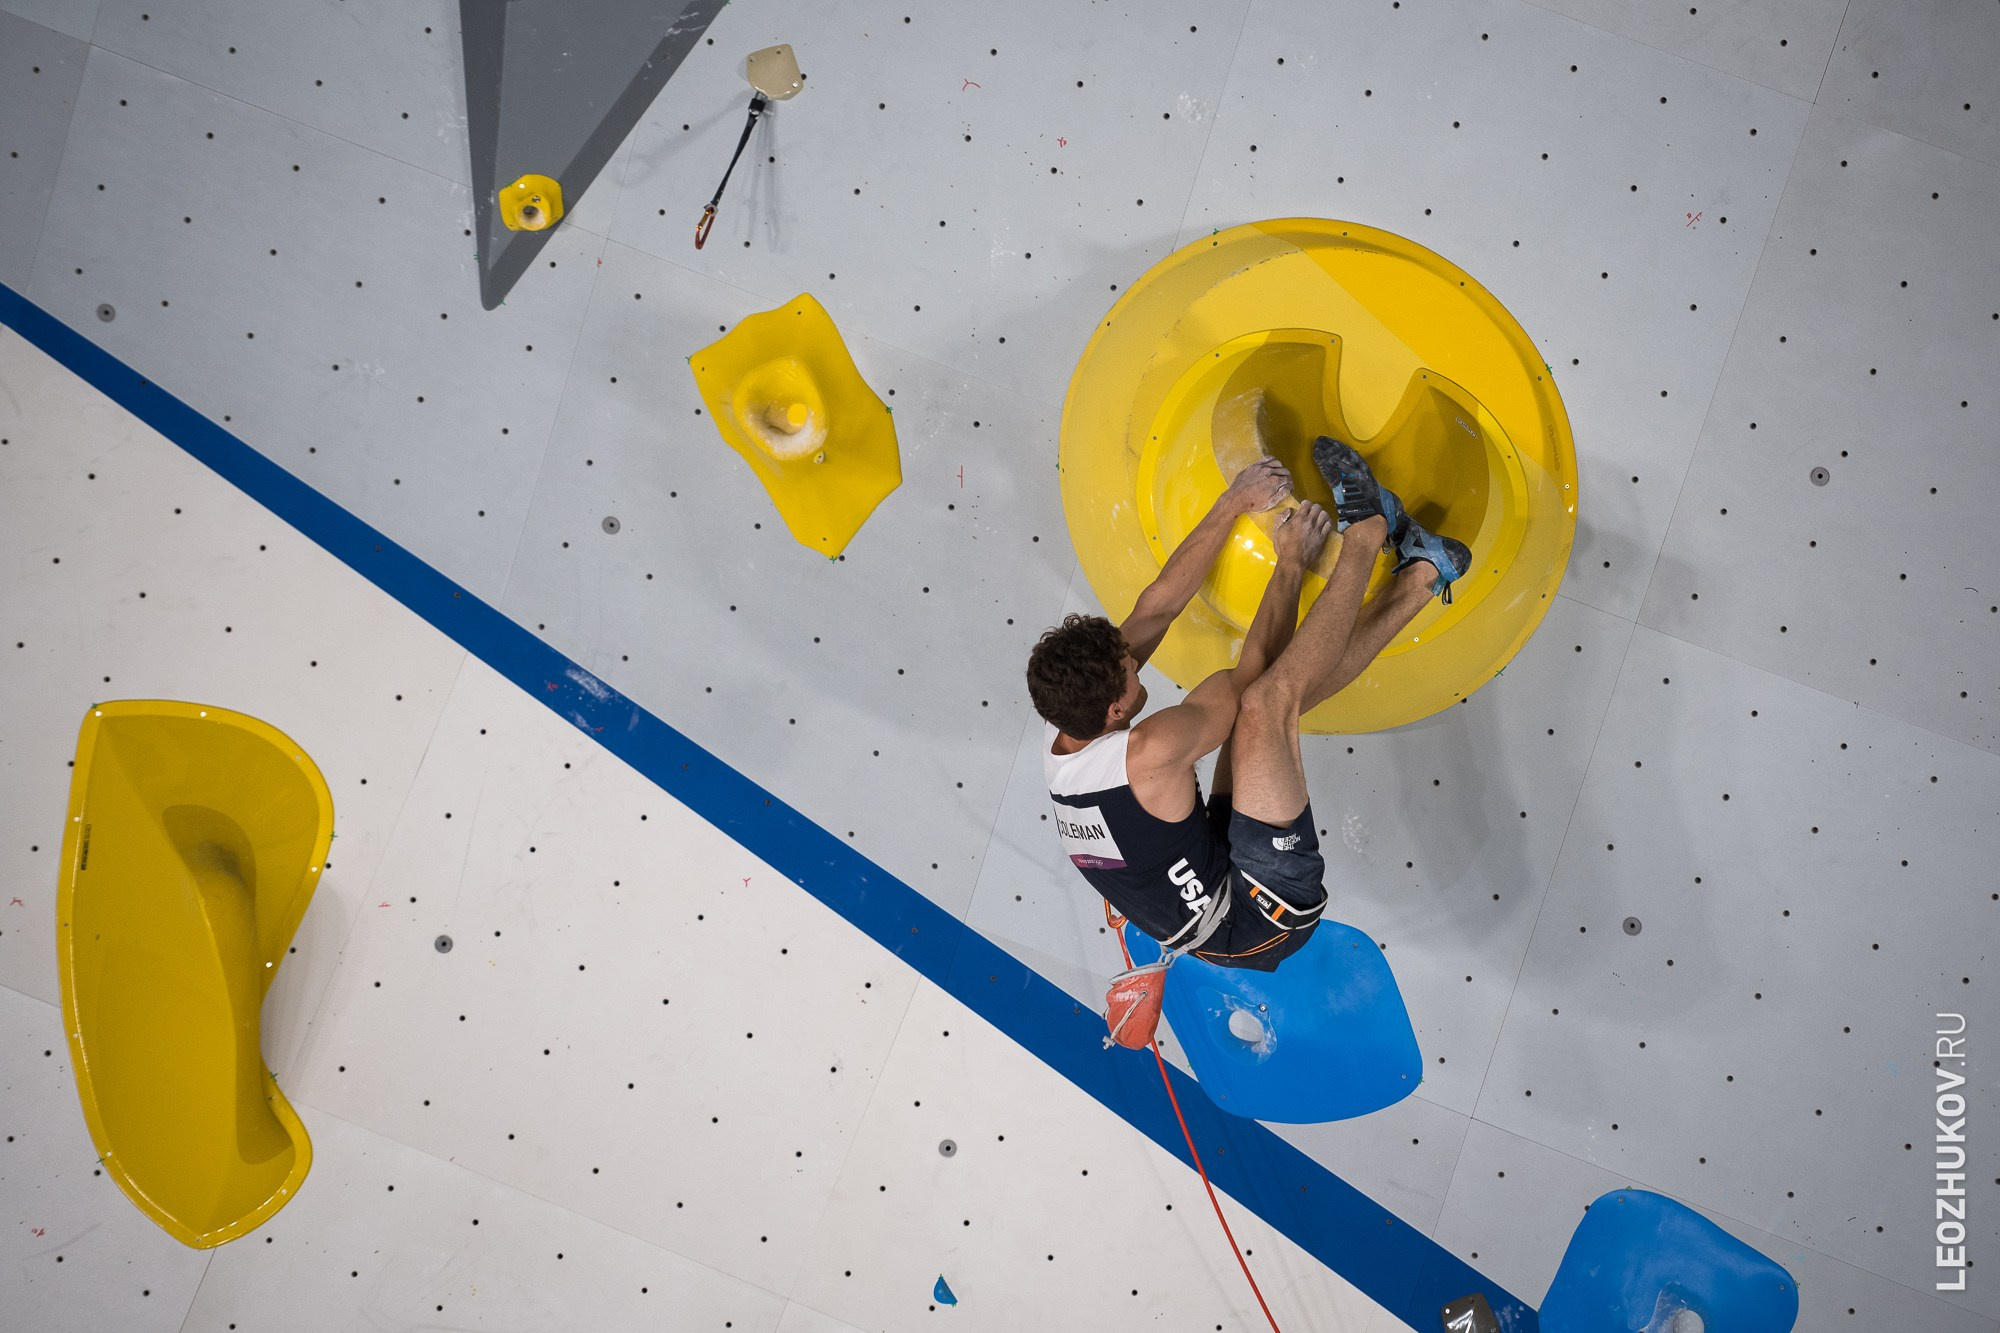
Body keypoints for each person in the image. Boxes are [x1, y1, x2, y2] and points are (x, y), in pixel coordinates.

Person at [1027, 440, 1470, 970]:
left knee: (1273, 706)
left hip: (1213, 865)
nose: (1135, 661)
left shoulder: (1068, 728)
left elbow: (1157, 607)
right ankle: (1369, 532)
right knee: (1267, 705)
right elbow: (1253, 678)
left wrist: (1233, 502)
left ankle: (1425, 571)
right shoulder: (1150, 750)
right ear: (1115, 714)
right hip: (1260, 917)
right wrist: (1291, 563)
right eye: (1131, 672)